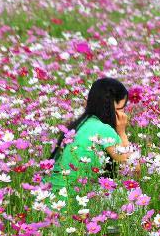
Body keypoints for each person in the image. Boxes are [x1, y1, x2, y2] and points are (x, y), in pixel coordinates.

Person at [47, 77, 136, 214]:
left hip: (50, 203)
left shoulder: (79, 125)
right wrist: (122, 132)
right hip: (72, 208)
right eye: (121, 109)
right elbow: (134, 169)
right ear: (111, 108)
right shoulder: (104, 130)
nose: (123, 115)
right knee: (134, 200)